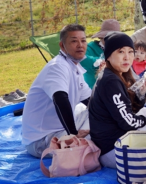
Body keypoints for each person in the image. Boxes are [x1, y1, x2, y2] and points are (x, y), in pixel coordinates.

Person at [89, 32, 146, 169]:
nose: (127, 57)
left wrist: (141, 93)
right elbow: (127, 122)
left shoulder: (114, 74)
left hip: (113, 143)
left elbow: (128, 109)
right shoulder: (110, 81)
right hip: (114, 150)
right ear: (109, 56)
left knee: (145, 110)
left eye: (130, 52)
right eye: (120, 52)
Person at [19, 24, 94, 158]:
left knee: (100, 122)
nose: (80, 45)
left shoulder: (74, 67)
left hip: (58, 129)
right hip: (41, 139)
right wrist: (73, 134)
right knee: (97, 143)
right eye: (74, 41)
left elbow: (91, 102)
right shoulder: (57, 67)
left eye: (83, 40)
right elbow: (60, 99)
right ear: (62, 46)